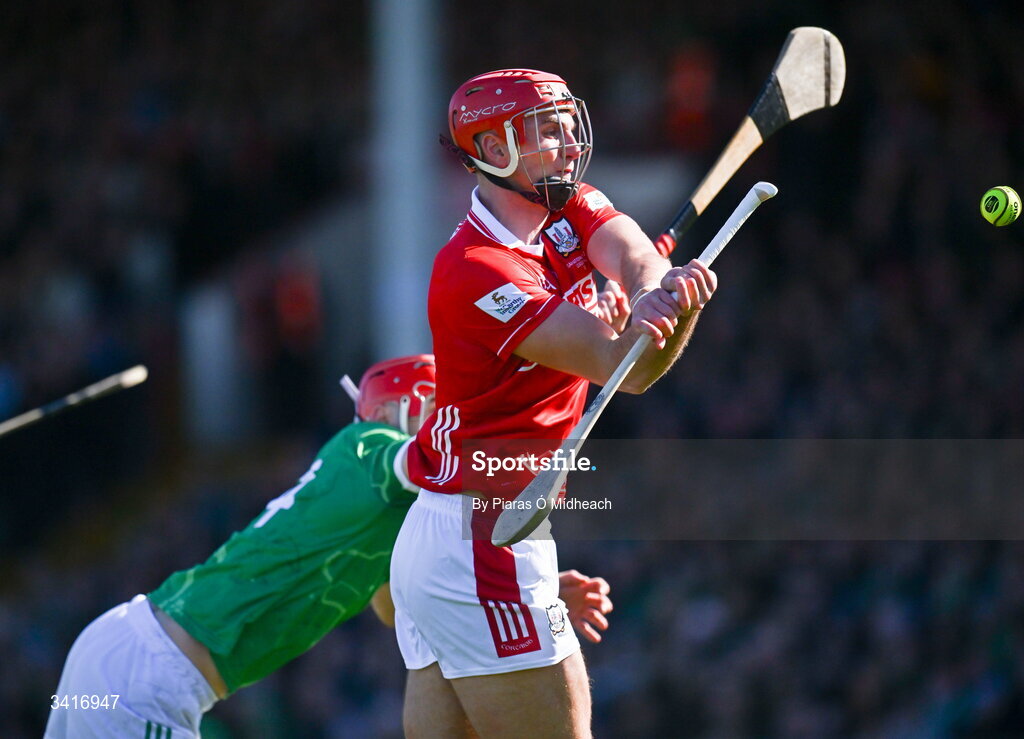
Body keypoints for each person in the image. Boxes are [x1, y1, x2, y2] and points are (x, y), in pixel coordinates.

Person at [45, 354, 614, 739]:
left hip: (129, 659)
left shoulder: (401, 523)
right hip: (149, 672)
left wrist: (518, 586)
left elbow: (406, 609)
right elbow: (438, 465)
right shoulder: (369, 446)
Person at [392, 69, 718, 738]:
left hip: (459, 534)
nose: (570, 140)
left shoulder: (561, 205)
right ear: (493, 148)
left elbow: (630, 252)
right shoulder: (478, 271)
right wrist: (674, 317)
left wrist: (657, 285)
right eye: (547, 128)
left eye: (570, 122)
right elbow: (623, 368)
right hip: (482, 536)